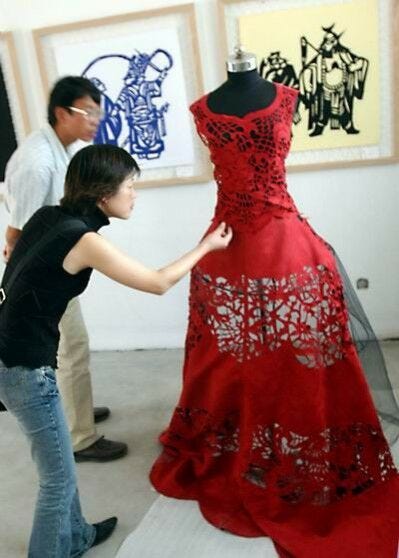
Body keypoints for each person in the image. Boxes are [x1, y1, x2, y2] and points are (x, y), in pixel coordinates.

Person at [150, 49, 399, 557]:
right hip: (225, 244)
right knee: (222, 356)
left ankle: (295, 437)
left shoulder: (287, 98)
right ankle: (236, 436)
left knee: (299, 351)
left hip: (284, 240)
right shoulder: (202, 110)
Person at [0, 143, 232, 558]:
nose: (135, 194)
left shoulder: (49, 217)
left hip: (12, 354)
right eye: (130, 186)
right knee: (57, 477)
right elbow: (158, 282)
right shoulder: (82, 238)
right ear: (104, 194)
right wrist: (208, 247)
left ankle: (76, 537)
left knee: (61, 469)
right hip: (23, 367)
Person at [3, 76, 127, 461]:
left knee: (71, 348)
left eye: (97, 113)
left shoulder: (61, 150)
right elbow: (17, 231)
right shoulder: (38, 161)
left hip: (56, 269)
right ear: (62, 113)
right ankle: (80, 436)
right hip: (43, 277)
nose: (95, 120)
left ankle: (76, 412)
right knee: (72, 349)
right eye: (88, 112)